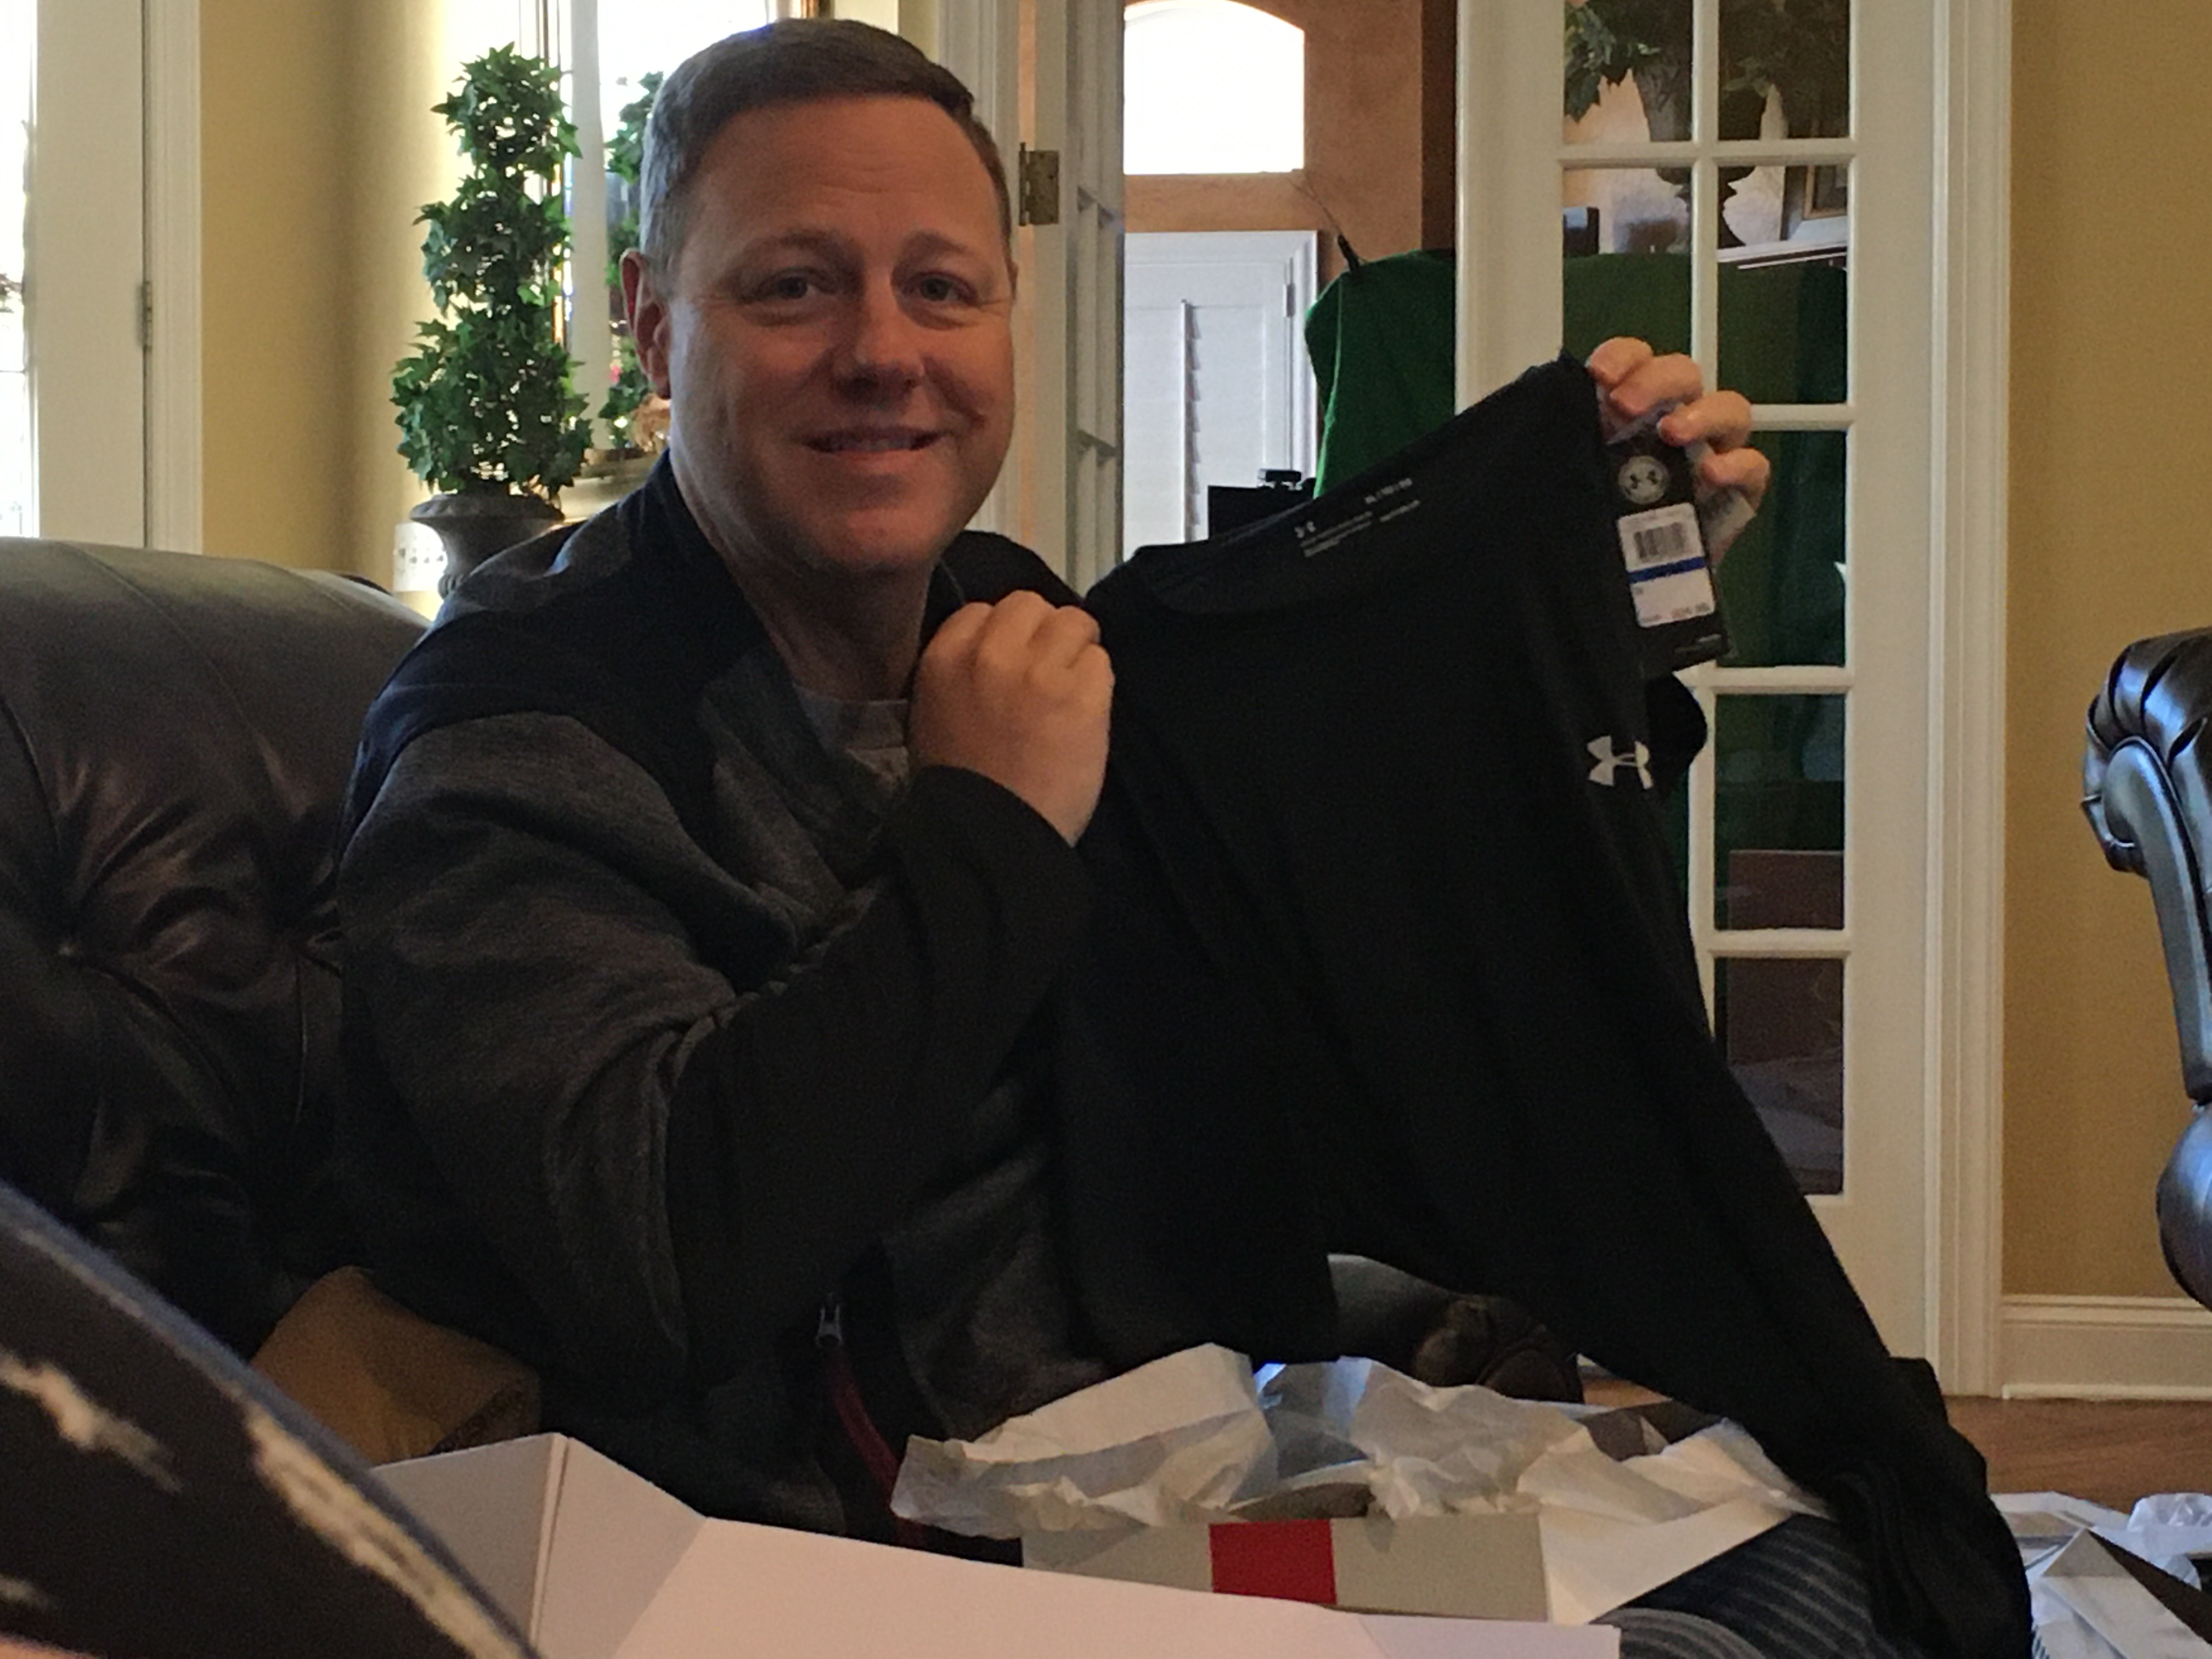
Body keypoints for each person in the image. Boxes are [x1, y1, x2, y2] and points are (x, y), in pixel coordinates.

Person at [336, 20, 2018, 1659]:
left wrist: (1600, 603)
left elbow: (1363, 897)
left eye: (943, 287)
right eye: (794, 286)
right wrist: (991, 830)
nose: (883, 350)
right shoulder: (517, 736)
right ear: (652, 323)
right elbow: (665, 1262)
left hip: (1178, 1481)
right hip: (836, 1569)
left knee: (1852, 1562)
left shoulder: (1012, 623)